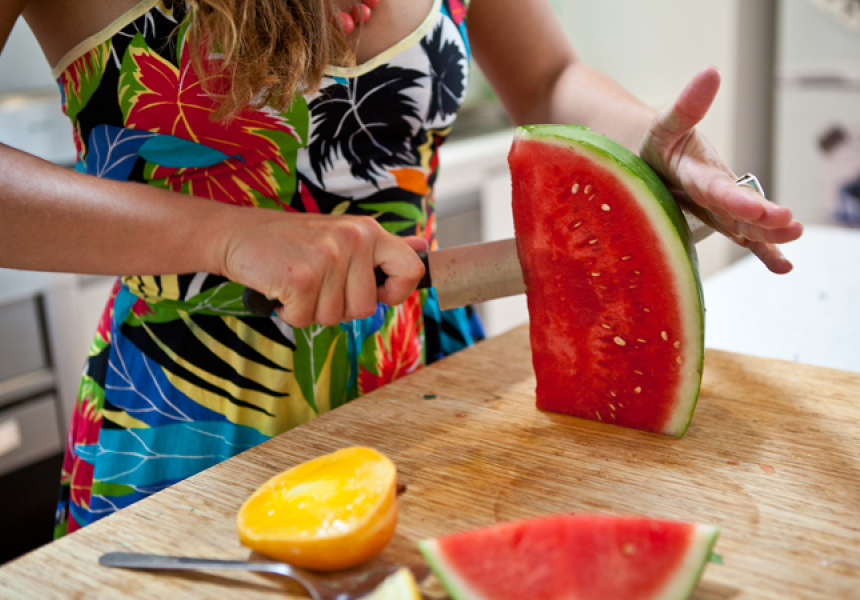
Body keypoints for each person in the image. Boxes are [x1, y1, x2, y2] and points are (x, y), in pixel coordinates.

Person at [0, 0, 802, 537]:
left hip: (432, 382)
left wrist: (654, 149)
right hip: (190, 419)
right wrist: (226, 236)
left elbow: (548, 79)